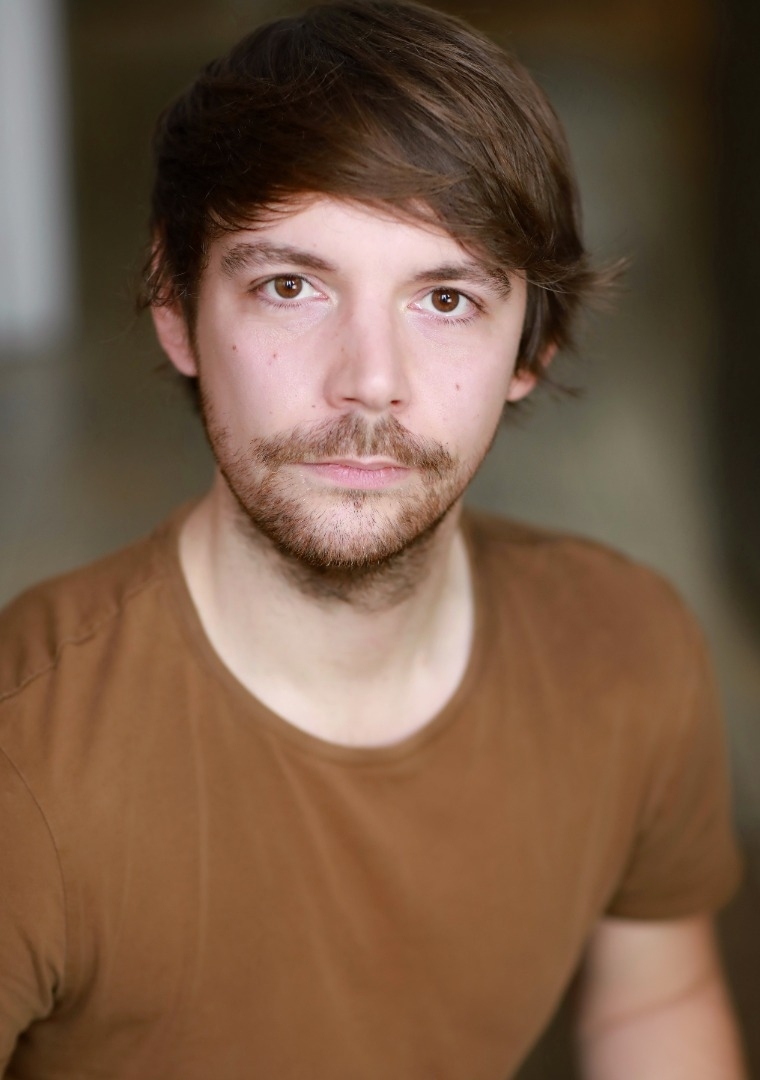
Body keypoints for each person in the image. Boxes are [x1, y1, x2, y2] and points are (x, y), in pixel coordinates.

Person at [0, 1, 746, 1076]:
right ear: (176, 305)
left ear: (529, 347)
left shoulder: (629, 652)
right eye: (291, 287)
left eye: (444, 298)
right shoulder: (27, 756)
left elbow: (657, 1001)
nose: (370, 381)